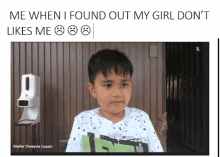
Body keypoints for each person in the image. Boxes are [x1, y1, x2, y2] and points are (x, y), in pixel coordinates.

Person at [66, 49, 164, 152]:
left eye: (124, 84)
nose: (117, 93)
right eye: (108, 85)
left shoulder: (142, 118)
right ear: (93, 90)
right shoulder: (83, 121)